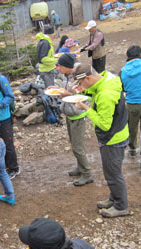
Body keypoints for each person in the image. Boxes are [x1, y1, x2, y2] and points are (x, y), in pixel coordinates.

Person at [73, 64, 130, 218]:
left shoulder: (105, 94)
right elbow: (95, 89)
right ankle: (114, 198)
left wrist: (86, 109)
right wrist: (85, 91)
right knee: (110, 171)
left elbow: (104, 125)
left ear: (88, 78)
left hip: (113, 138)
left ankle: (121, 206)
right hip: (118, 131)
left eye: (81, 83)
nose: (80, 86)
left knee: (113, 173)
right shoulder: (106, 78)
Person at [47, 54, 93, 186]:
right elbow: (69, 91)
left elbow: (87, 96)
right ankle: (80, 168)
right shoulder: (68, 76)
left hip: (78, 115)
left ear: (67, 66)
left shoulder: (79, 76)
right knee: (74, 145)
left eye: (60, 66)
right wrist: (57, 90)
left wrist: (69, 94)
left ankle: (87, 174)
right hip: (70, 114)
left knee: (77, 147)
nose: (58, 68)